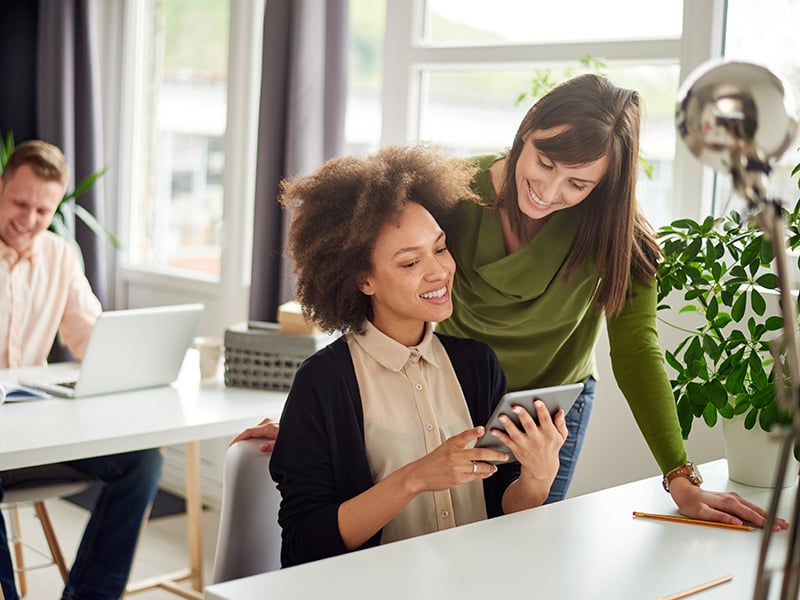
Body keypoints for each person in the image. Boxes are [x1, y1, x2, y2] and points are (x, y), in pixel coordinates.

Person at [432, 72, 787, 529]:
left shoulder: (619, 236)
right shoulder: (449, 192)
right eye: (544, 162)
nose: (549, 190)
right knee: (442, 537)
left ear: (602, 186)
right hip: (451, 396)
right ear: (530, 123)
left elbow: (637, 349)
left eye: (578, 185)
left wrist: (681, 477)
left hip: (552, 410)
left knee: (526, 540)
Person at [234, 145, 568, 567]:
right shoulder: (323, 381)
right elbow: (305, 545)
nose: (438, 272)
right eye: (410, 263)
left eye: (441, 248)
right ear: (364, 279)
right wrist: (415, 477)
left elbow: (504, 511)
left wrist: (538, 475)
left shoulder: (477, 365)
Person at [0, 140, 163, 599]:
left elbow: (91, 338)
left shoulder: (59, 256)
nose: (29, 220)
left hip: (33, 431)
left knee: (143, 460)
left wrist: (130, 366)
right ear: (0, 188)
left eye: (43, 209)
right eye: (20, 203)